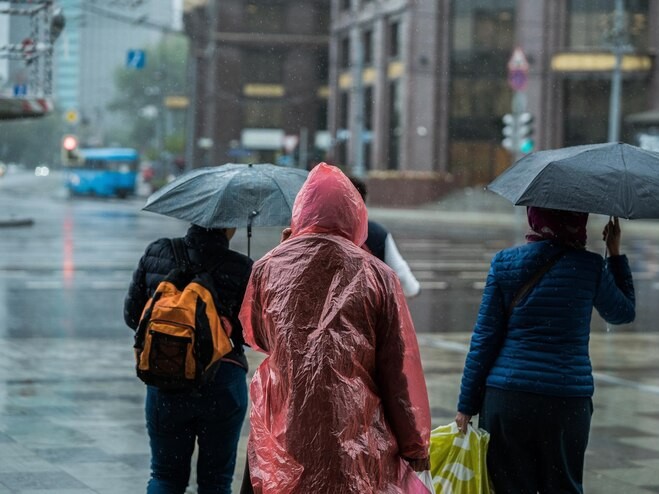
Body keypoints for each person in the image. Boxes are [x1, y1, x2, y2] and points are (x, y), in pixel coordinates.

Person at [239, 163, 431, 493]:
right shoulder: (378, 276)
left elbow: (257, 335)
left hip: (287, 423)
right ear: (355, 214)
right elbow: (397, 370)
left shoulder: (268, 267)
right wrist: (414, 445)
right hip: (354, 429)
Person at [455, 208, 635, 494]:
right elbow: (623, 313)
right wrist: (614, 254)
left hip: (508, 397)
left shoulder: (505, 263)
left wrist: (466, 405)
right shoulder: (589, 266)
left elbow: (485, 338)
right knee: (563, 485)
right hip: (565, 402)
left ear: (534, 216)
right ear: (579, 219)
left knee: (509, 487)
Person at [123, 224, 253, 494]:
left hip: (167, 376)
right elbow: (255, 335)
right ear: (229, 225)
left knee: (165, 475)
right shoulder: (242, 267)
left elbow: (133, 316)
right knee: (216, 481)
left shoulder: (158, 251)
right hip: (223, 382)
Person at [348, 175, 421, 298]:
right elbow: (401, 274)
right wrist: (413, 289)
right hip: (365, 309)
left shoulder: (316, 233)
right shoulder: (375, 233)